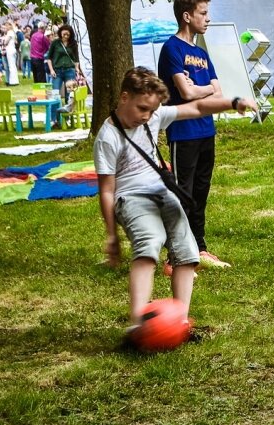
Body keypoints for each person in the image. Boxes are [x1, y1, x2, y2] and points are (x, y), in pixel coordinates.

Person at [93, 66, 256, 333]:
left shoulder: (152, 116)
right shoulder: (108, 137)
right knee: (149, 243)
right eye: (141, 108)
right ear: (124, 97)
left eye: (151, 111)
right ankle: (138, 325)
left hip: (162, 193)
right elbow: (107, 189)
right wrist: (111, 235)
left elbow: (197, 109)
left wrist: (233, 102)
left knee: (187, 251)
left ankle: (178, 322)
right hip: (130, 198)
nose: (146, 117)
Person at [157, 0, 230, 268]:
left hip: (206, 131)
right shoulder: (172, 49)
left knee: (201, 193)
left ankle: (199, 248)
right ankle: (175, 257)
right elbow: (185, 94)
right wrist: (204, 89)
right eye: (203, 13)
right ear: (187, 16)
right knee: (182, 195)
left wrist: (200, 89)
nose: (208, 19)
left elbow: (218, 92)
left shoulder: (201, 53)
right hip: (183, 133)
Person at [46, 24, 83, 99]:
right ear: (60, 33)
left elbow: (76, 58)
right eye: (64, 34)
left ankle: (69, 109)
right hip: (57, 71)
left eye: (68, 35)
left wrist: (77, 68)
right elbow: (49, 58)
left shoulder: (73, 43)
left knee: (70, 94)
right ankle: (54, 109)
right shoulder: (55, 43)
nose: (66, 36)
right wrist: (51, 70)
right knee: (55, 92)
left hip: (70, 70)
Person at [3, 21, 19, 86]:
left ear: (10, 26)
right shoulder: (13, 32)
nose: (6, 27)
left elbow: (6, 42)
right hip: (12, 49)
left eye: (7, 25)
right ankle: (14, 80)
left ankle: (12, 81)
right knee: (13, 66)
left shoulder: (10, 33)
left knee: (11, 66)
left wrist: (4, 42)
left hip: (10, 50)